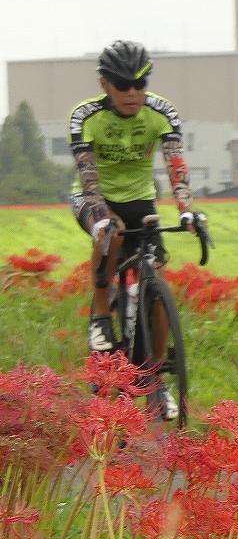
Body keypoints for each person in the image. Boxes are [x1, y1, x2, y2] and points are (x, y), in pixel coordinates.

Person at [69, 39, 203, 421]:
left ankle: (155, 379)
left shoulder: (161, 112)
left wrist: (187, 210)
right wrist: (104, 215)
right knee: (108, 231)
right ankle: (100, 316)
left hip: (141, 200)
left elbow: (176, 163)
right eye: (123, 85)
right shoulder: (86, 116)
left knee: (158, 286)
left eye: (140, 85)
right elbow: (88, 176)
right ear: (104, 85)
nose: (132, 93)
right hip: (94, 198)